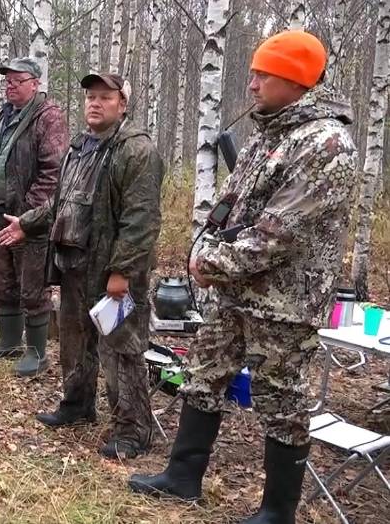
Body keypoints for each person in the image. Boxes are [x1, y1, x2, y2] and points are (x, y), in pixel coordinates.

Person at [129, 30, 356, 522]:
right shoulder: (272, 132)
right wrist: (211, 243)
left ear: (295, 80)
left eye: (262, 74)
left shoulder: (326, 144)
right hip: (235, 292)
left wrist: (213, 263)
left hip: (284, 300)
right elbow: (233, 205)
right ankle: (182, 477)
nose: (251, 84)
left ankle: (277, 512)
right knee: (204, 375)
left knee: (281, 398)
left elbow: (282, 232)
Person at [0, 72, 163, 459]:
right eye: (91, 96)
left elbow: (141, 220)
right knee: (75, 341)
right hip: (75, 264)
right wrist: (27, 223)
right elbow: (61, 204)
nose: (95, 103)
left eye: (105, 97)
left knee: (121, 348)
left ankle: (133, 430)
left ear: (122, 104)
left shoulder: (136, 151)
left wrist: (122, 272)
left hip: (113, 273)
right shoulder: (79, 147)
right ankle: (77, 405)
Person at [0, 56, 68, 377]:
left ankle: (37, 353)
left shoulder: (48, 117)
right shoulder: (6, 114)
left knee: (33, 285)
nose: (10, 87)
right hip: (0, 210)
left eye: (17, 81)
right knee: (2, 281)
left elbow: (53, 175)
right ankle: (9, 342)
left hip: (30, 219)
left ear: (35, 84)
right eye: (7, 81)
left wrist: (28, 218)